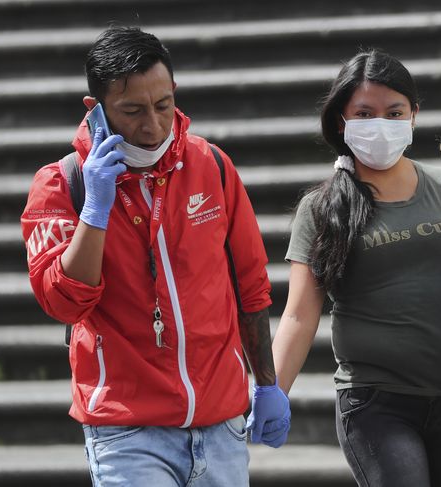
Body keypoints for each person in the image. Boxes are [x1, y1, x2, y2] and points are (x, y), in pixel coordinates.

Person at [20, 26, 290, 487]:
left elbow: (250, 285)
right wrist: (94, 213)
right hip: (127, 430)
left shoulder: (214, 166)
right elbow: (63, 303)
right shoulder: (61, 184)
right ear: (97, 111)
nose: (153, 126)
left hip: (221, 422)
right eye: (132, 111)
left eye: (163, 105)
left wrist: (267, 384)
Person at [272, 49, 441, 487]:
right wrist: (271, 391)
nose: (382, 125)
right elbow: (298, 314)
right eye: (365, 113)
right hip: (376, 403)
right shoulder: (322, 209)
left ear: (413, 116)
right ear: (342, 121)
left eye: (394, 113)